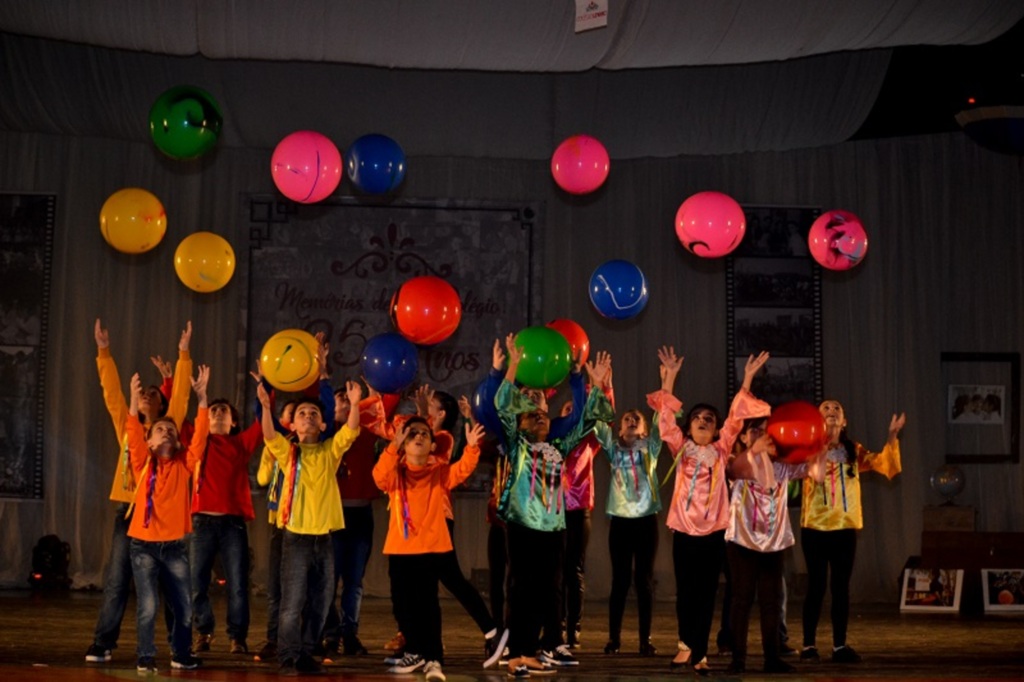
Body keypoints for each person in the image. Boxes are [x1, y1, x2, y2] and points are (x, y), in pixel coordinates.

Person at [494, 334, 613, 677]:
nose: (539, 419)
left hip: (553, 527)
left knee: (550, 587)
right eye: (530, 417)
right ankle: (517, 652)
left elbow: (586, 420)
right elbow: (503, 404)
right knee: (522, 587)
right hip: (522, 525)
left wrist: (589, 381)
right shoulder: (517, 444)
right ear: (521, 423)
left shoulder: (559, 445)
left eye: (542, 416)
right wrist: (514, 364)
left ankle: (535, 650)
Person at [85, 319, 192, 664]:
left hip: (166, 519)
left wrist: (183, 354)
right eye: (142, 392)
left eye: (152, 394)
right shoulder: (130, 431)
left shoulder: (168, 429)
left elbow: (182, 396)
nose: (146, 395)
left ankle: (179, 649)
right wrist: (104, 351)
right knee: (117, 581)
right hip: (129, 513)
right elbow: (112, 395)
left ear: (162, 407)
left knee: (172, 589)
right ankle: (103, 642)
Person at [660, 351, 771, 675]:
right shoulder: (681, 448)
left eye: (710, 417)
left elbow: (736, 417)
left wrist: (747, 376)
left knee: (707, 593)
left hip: (712, 533)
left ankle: (699, 652)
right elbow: (666, 420)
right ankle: (686, 645)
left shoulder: (721, 450)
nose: (704, 421)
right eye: (698, 417)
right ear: (690, 426)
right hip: (683, 530)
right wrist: (668, 378)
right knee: (686, 593)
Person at [256, 377, 362, 675]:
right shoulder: (289, 453)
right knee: (292, 601)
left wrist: (354, 404)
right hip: (296, 538)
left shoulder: (329, 451)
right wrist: (266, 408)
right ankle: (289, 653)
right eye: (301, 413)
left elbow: (351, 431)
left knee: (323, 599)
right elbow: (268, 436)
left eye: (313, 414)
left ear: (324, 425)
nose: (307, 417)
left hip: (324, 539)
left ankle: (305, 649)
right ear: (293, 426)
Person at [372, 417, 487, 682]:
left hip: (430, 548)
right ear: (404, 443)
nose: (419, 437)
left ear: (433, 445)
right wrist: (392, 447)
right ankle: (415, 651)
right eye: (412, 434)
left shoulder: (439, 472)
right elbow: (379, 478)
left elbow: (461, 471)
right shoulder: (396, 471)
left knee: (427, 606)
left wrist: (471, 448)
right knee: (403, 606)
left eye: (424, 433)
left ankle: (434, 658)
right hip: (400, 549)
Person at [799, 400, 905, 664]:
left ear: (844, 421)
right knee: (816, 586)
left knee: (840, 587)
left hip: (844, 528)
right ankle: (808, 645)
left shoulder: (853, 450)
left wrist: (892, 436)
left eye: (837, 410)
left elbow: (885, 465)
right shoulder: (808, 450)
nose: (832, 412)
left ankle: (839, 646)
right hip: (814, 526)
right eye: (826, 409)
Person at [725, 412, 826, 675]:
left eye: (767, 432)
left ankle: (772, 657)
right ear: (744, 437)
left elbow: (816, 475)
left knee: (772, 600)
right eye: (756, 431)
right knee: (742, 599)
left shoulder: (781, 467)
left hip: (773, 541)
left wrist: (818, 449)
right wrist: (755, 451)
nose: (763, 436)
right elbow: (736, 471)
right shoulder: (738, 462)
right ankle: (738, 659)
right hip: (743, 540)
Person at [125, 365, 210, 674]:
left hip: (174, 547)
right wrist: (134, 402)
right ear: (149, 442)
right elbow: (133, 431)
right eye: (160, 429)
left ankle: (181, 653)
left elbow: (200, 439)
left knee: (184, 607)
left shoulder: (183, 466)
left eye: (171, 431)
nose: (167, 432)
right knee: (148, 607)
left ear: (177, 441)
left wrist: (202, 399)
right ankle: (146, 655)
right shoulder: (141, 464)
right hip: (143, 547)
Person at [597, 347, 674, 656]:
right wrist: (603, 386)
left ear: (643, 429)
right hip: (620, 523)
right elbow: (599, 422)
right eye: (626, 419)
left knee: (643, 581)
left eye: (636, 419)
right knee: (619, 581)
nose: (630, 421)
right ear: (620, 428)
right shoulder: (613, 450)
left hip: (645, 523)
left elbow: (663, 417)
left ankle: (645, 640)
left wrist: (667, 380)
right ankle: (614, 639)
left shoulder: (650, 448)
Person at [322, 387, 396, 658]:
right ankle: (330, 634)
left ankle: (349, 634)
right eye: (339, 399)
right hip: (333, 516)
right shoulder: (325, 433)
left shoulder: (364, 430)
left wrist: (375, 388)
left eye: (346, 398)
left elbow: (388, 401)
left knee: (354, 581)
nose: (343, 401)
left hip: (361, 515)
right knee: (329, 580)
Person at [189, 392, 264, 655]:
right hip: (202, 522)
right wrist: (197, 396)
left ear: (234, 422)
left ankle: (237, 636)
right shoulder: (198, 442)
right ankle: (203, 631)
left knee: (237, 582)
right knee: (196, 581)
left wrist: (267, 391)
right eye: (214, 410)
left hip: (232, 523)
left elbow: (262, 424)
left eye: (224, 410)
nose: (218, 412)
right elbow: (174, 413)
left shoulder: (241, 443)